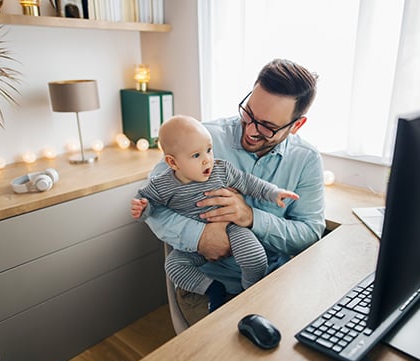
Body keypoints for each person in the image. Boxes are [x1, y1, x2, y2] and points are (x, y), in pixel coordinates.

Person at [132, 58, 326, 323]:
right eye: (248, 113)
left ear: (296, 125)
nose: (251, 130)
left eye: (267, 126)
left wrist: (251, 218)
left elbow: (310, 233)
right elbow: (154, 202)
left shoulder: (307, 161)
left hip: (271, 282)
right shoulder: (200, 139)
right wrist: (201, 238)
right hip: (208, 281)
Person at [131, 115, 300, 312]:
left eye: (209, 150)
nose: (207, 160)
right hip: (196, 246)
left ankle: (250, 293)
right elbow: (148, 202)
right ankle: (213, 289)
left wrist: (273, 193)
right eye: (196, 156)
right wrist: (142, 208)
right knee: (173, 266)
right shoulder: (163, 185)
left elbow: (248, 182)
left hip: (231, 227)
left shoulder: (221, 170)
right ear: (173, 162)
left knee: (255, 257)